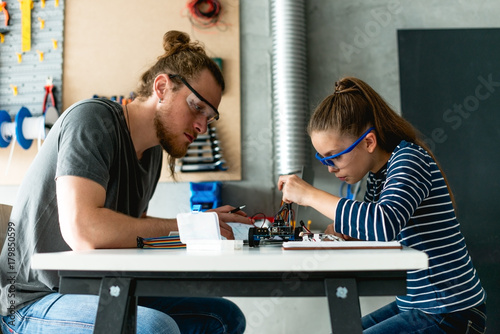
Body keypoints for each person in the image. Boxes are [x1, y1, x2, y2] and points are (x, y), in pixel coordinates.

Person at [0, 30, 251, 334]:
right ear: (162, 87)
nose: (201, 125)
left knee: (224, 317)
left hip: (96, 288)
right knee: (156, 328)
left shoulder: (153, 154)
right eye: (197, 107)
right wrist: (188, 225)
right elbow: (85, 231)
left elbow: (133, 225)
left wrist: (202, 230)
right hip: (31, 300)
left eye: (210, 117)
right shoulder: (92, 120)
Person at [278, 77, 487, 333]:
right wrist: (344, 235)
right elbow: (376, 235)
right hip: (416, 304)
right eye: (324, 159)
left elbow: (381, 224)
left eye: (335, 157)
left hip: (450, 310)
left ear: (368, 142)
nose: (331, 168)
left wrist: (309, 195)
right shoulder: (379, 175)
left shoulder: (409, 159)